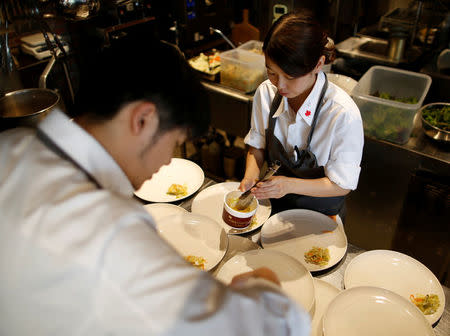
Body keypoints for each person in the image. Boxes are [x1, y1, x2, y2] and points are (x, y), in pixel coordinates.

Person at [0, 38, 310, 335]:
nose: (165, 163)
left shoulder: (11, 145)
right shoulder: (108, 230)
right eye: (174, 143)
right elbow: (277, 326)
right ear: (144, 119)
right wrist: (263, 283)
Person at [239, 12, 364, 219]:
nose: (279, 85)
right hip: (274, 208)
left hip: (321, 216)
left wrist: (288, 185)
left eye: (290, 76)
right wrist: (250, 176)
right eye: (271, 72)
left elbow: (342, 185)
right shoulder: (266, 93)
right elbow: (258, 144)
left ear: (318, 64)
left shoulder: (342, 114)